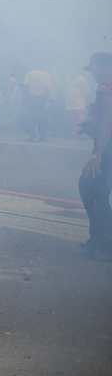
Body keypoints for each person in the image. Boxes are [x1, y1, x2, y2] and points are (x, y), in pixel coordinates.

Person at [78, 52, 112, 258]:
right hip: (106, 142)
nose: (91, 73)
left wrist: (96, 154)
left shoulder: (106, 86)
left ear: (101, 66)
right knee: (99, 191)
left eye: (92, 68)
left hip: (107, 146)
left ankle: (101, 238)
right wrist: (92, 127)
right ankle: (102, 238)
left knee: (89, 186)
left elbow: (108, 121)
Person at [23, 67, 55, 142]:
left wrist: (25, 98)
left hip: (32, 97)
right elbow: (47, 88)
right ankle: (42, 137)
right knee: (43, 118)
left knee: (31, 118)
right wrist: (48, 100)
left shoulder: (30, 73)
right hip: (42, 98)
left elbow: (25, 86)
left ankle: (31, 135)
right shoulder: (46, 75)